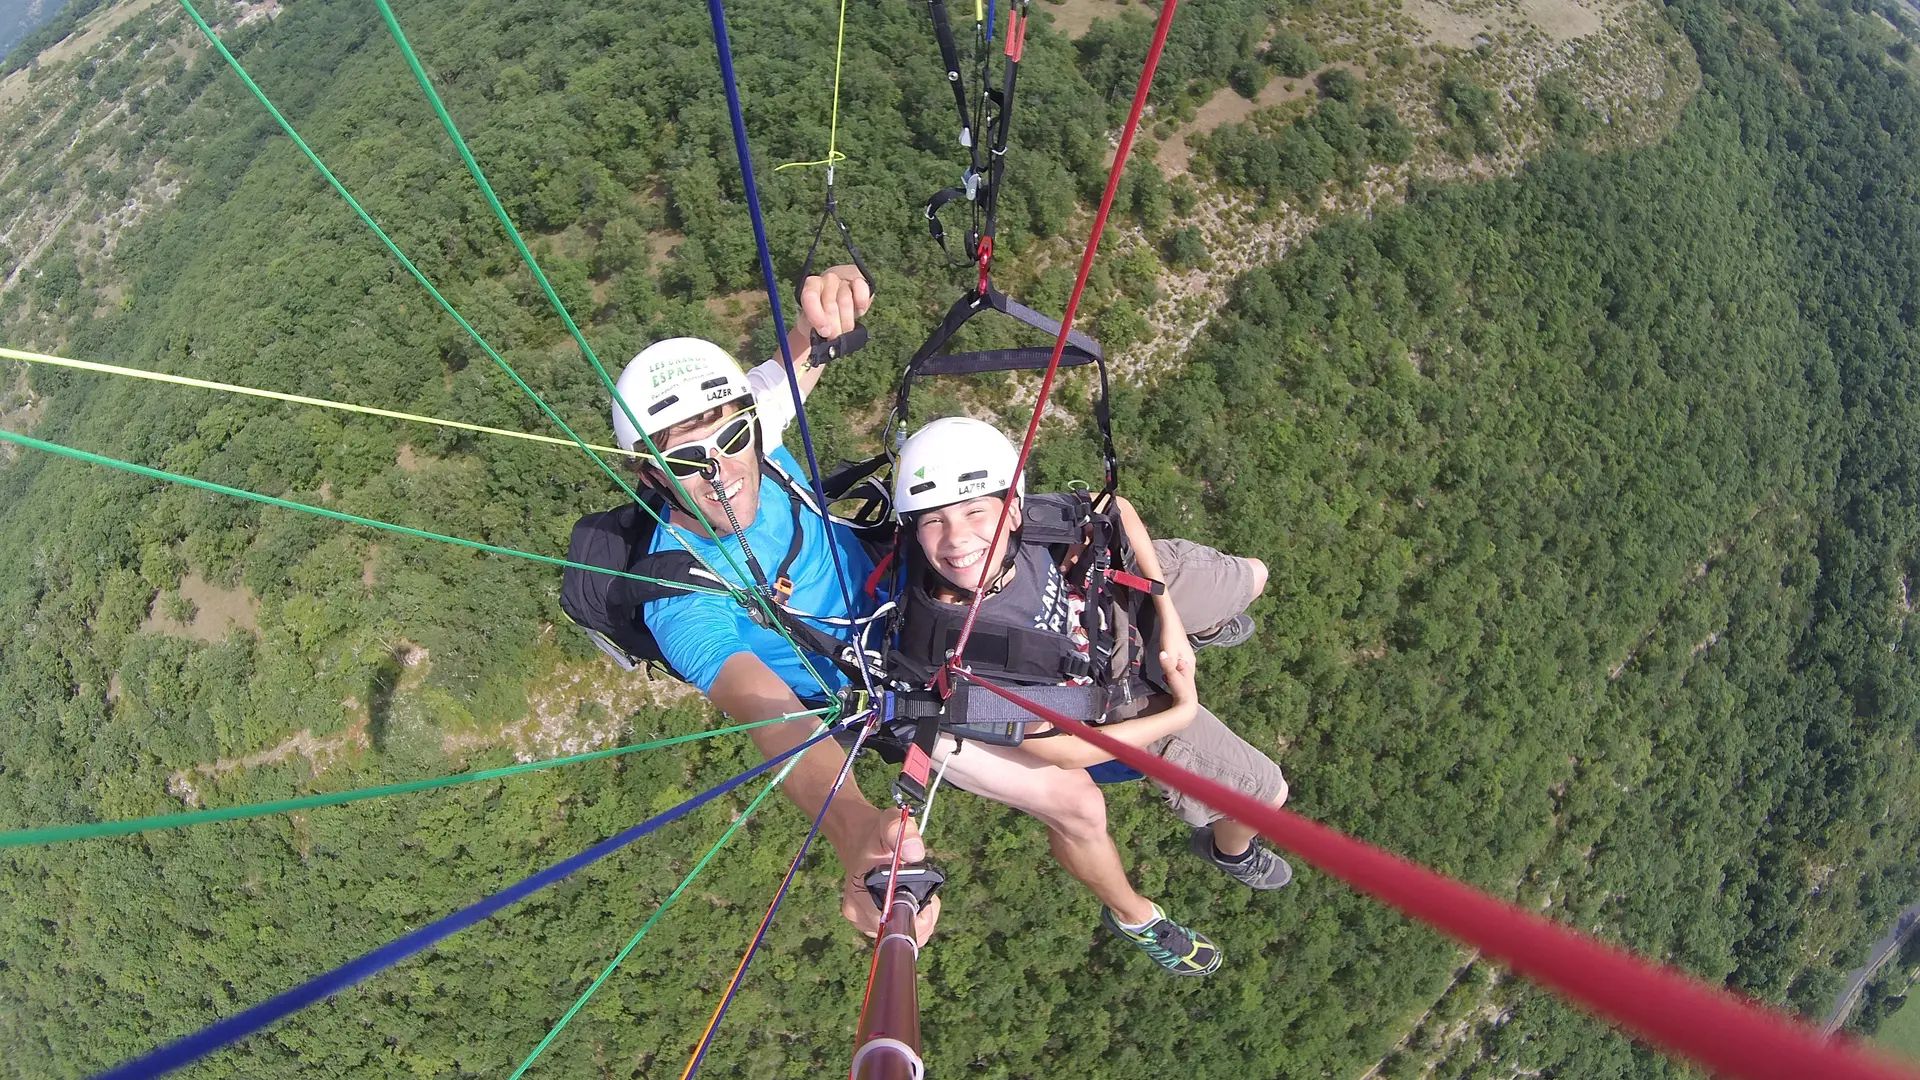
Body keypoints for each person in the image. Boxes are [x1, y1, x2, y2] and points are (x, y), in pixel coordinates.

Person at [600, 265, 941, 942]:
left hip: (920, 582)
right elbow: (771, 718)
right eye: (685, 462)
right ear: (648, 476)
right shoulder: (679, 595)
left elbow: (794, 361)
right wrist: (852, 831)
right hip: (894, 679)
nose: (720, 471)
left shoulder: (759, 436)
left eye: (730, 441)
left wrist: (828, 309)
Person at [888, 416, 1294, 976]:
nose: (958, 539)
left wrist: (1169, 619)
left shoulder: (1027, 524)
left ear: (1013, 511)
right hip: (1111, 696)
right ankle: (1230, 849)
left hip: (1121, 597)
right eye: (934, 522)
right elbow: (1066, 753)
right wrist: (1182, 711)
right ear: (913, 528)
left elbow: (1117, 511)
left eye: (975, 512)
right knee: (1266, 794)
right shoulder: (959, 652)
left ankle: (1200, 627)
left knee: (1254, 576)